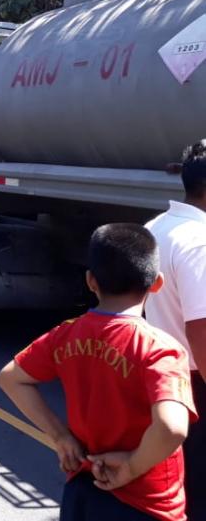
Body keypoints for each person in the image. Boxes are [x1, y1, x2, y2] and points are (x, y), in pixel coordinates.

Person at [0, 224, 197, 521]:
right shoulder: (160, 349)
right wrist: (131, 466)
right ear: (157, 283)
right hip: (147, 502)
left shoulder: (66, 334)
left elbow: (10, 378)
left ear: (91, 281)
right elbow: (171, 428)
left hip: (84, 485)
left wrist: (61, 437)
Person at [146, 140, 206, 521]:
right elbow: (201, 332)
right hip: (196, 385)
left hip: (160, 377)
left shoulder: (154, 228)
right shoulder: (199, 242)